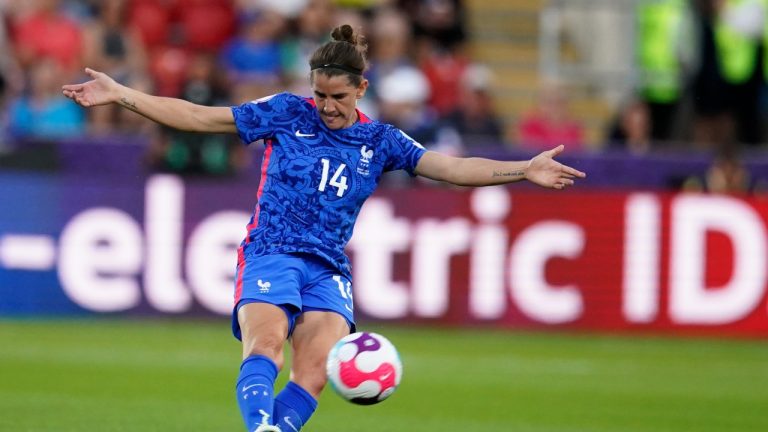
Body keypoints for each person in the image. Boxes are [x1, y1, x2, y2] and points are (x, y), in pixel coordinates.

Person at [62, 24, 586, 432]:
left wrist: (523, 169)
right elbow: (199, 117)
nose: (327, 107)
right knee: (266, 345)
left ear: (361, 88)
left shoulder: (382, 140)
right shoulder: (286, 113)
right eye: (320, 95)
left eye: (338, 97)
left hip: (328, 267)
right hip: (271, 250)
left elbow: (451, 167)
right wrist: (122, 94)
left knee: (313, 374)